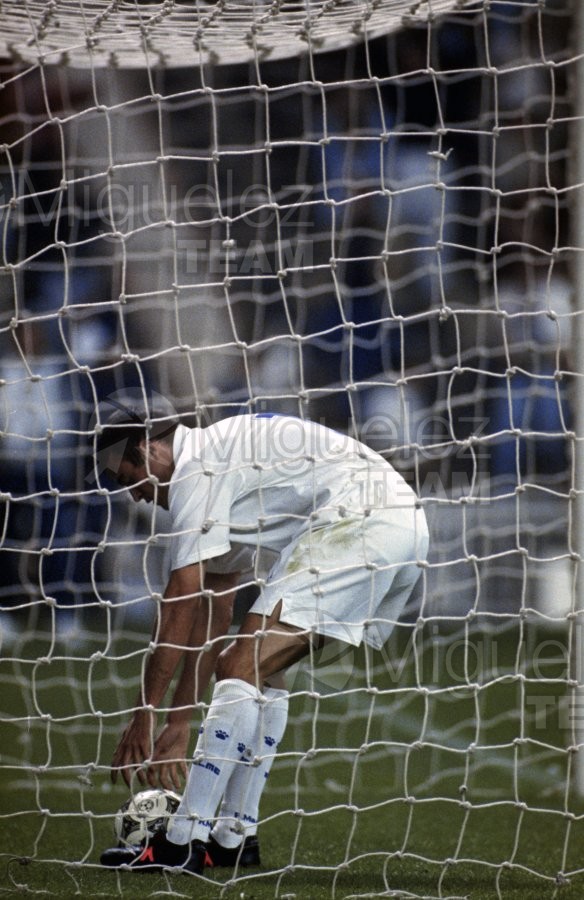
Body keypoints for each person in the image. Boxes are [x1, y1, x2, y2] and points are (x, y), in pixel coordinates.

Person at [96, 403, 429, 874]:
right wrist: (179, 720)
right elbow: (214, 606)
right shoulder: (223, 465)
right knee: (263, 674)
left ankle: (180, 841)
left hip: (362, 520)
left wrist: (145, 715)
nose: (134, 495)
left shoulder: (197, 470)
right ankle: (233, 839)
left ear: (150, 449)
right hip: (398, 522)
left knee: (239, 667)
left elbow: (179, 603)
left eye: (128, 477)